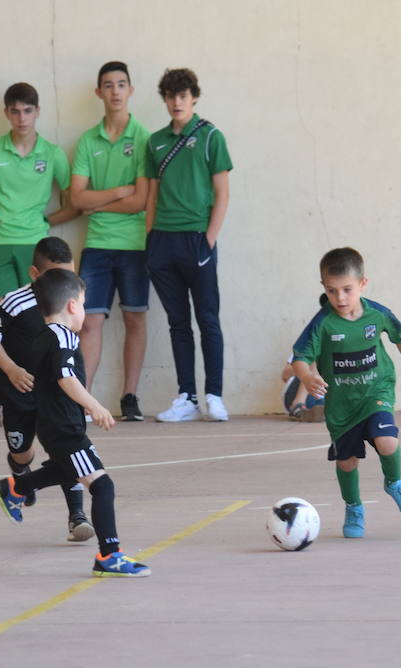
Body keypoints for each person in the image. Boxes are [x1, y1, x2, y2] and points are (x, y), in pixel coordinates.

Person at [0, 269, 150, 578]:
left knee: (65, 469)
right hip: (64, 429)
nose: (85, 309)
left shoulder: (42, 335)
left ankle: (15, 487)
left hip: (52, 426)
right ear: (73, 306)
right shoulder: (62, 337)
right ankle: (109, 555)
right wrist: (94, 405)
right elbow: (65, 377)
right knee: (103, 487)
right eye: (84, 301)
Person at [290, 247, 401, 539]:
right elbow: (299, 357)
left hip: (377, 390)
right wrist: (308, 375)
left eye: (347, 290)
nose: (340, 298)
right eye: (332, 290)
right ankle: (354, 506)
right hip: (341, 405)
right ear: (324, 287)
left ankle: (395, 482)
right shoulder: (322, 323)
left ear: (362, 284)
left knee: (387, 440)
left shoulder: (377, 313)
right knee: (347, 461)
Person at [0, 238, 93, 542]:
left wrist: (83, 396)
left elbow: (71, 353)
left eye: (70, 275)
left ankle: (77, 516)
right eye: (57, 275)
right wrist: (11, 369)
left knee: (70, 451)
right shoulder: (13, 303)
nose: (66, 283)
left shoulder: (72, 299)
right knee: (22, 452)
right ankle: (20, 477)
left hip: (57, 395)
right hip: (19, 392)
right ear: (34, 273)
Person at [144, 67, 233, 422]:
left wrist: (208, 240)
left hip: (197, 237)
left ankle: (215, 395)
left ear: (193, 97)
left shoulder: (211, 136)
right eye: (170, 95)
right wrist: (150, 239)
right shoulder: (155, 141)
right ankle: (186, 397)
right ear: (164, 99)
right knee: (177, 322)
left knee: (208, 318)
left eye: (182, 95)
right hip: (162, 241)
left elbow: (222, 193)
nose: (176, 102)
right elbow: (151, 194)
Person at [70, 61, 152, 422]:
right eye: (108, 85)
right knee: (89, 323)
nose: (115, 91)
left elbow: (142, 201)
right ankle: (84, 400)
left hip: (135, 245)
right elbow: (76, 199)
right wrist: (119, 191)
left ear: (131, 90)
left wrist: (98, 201)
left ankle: (130, 397)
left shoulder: (144, 138)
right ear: (99, 92)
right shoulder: (88, 140)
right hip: (98, 244)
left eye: (121, 84)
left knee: (135, 319)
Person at [0, 83, 75, 302]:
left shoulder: (52, 154)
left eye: (28, 111)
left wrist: (46, 221)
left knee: (37, 312)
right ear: (7, 114)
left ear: (37, 111)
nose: (22, 119)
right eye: (15, 111)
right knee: (2, 313)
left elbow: (75, 203)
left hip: (34, 241)